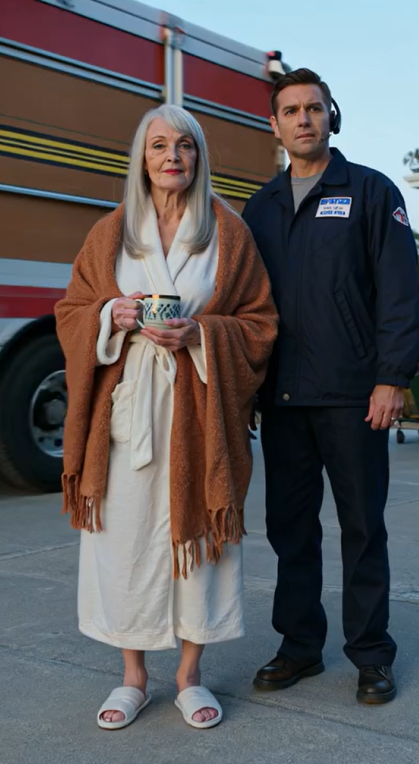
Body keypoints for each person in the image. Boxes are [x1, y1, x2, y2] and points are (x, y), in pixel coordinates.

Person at [54, 104, 278, 731]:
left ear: (199, 157)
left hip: (199, 407)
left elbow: (261, 323)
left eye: (185, 145)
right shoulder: (112, 233)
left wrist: (202, 335)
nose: (172, 156)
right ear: (142, 159)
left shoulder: (227, 234)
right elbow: (71, 309)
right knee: (124, 537)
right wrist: (111, 316)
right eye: (159, 146)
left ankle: (188, 676)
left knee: (199, 539)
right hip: (128, 415)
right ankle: (132, 676)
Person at [241, 68, 419, 705]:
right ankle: (299, 647)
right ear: (275, 124)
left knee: (361, 527)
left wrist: (391, 378)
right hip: (284, 399)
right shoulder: (258, 208)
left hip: (354, 396)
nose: (303, 120)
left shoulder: (371, 192)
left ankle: (371, 655)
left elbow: (399, 294)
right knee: (290, 528)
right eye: (290, 110)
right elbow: (244, 306)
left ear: (331, 116)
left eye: (314, 108)